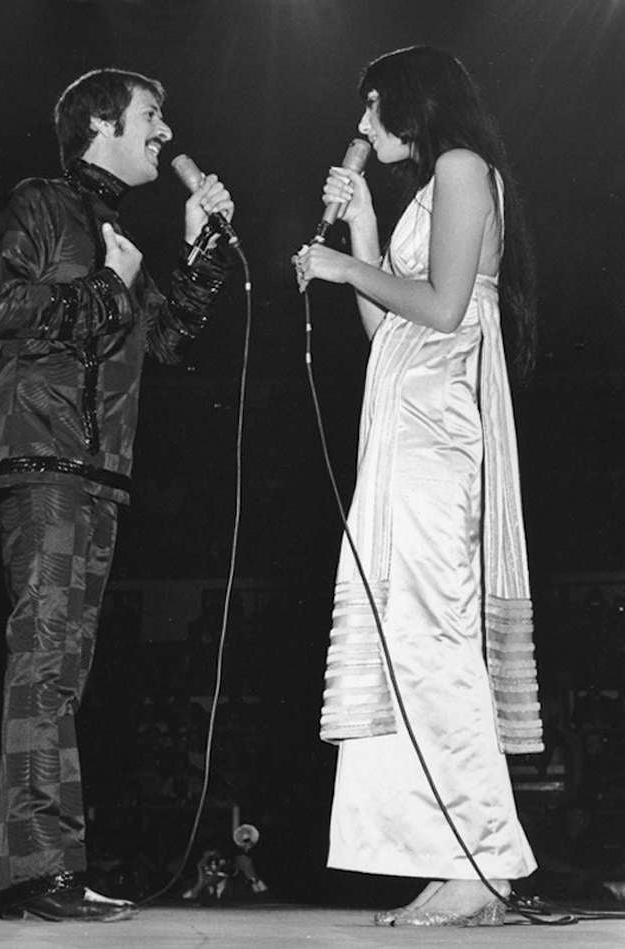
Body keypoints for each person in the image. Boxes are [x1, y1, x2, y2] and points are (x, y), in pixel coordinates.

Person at [0, 67, 234, 922]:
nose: (165, 133)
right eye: (153, 116)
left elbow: (167, 337)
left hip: (97, 474)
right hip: (43, 459)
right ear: (101, 123)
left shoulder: (119, 233)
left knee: (61, 673)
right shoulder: (42, 206)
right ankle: (39, 869)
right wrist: (104, 286)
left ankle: (34, 871)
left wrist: (198, 247)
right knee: (46, 660)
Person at [295, 46, 543, 927]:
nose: (363, 125)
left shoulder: (464, 168)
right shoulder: (425, 186)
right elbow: (385, 328)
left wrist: (340, 267)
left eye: (373, 108)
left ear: (414, 102)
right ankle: (451, 856)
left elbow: (442, 307)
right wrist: (361, 228)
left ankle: (483, 856)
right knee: (409, 635)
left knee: (438, 632)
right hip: (403, 421)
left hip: (442, 431)